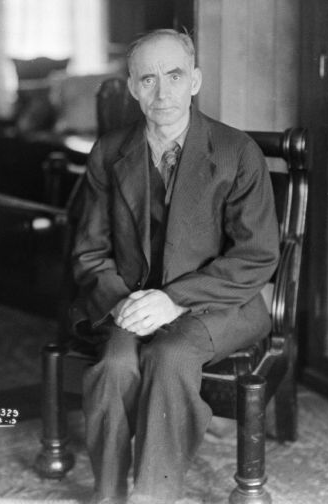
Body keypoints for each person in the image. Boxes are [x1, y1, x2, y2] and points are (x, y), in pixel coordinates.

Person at [69, 29, 280, 504]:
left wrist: (174, 299)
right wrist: (125, 304)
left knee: (169, 355)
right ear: (131, 87)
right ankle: (108, 495)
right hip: (132, 301)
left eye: (174, 75)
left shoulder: (237, 152)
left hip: (218, 304)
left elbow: (257, 256)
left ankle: (152, 496)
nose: (162, 92)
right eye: (148, 79)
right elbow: (90, 251)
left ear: (195, 81)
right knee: (115, 362)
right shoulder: (109, 152)